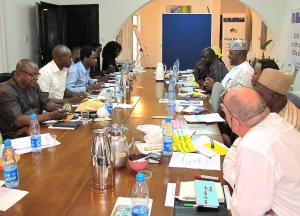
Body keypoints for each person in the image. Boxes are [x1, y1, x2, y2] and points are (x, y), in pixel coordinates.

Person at [222, 87, 300, 215]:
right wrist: (239, 183)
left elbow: (244, 212)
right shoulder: (274, 121)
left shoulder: (254, 145)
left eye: (225, 113)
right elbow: (234, 151)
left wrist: (239, 183)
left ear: (235, 122)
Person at [0, 59, 67, 133]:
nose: (36, 78)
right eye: (33, 75)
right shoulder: (5, 91)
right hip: (16, 133)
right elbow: (18, 120)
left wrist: (59, 107)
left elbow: (44, 103)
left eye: (37, 74)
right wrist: (50, 116)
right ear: (19, 74)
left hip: (36, 127)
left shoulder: (34, 85)